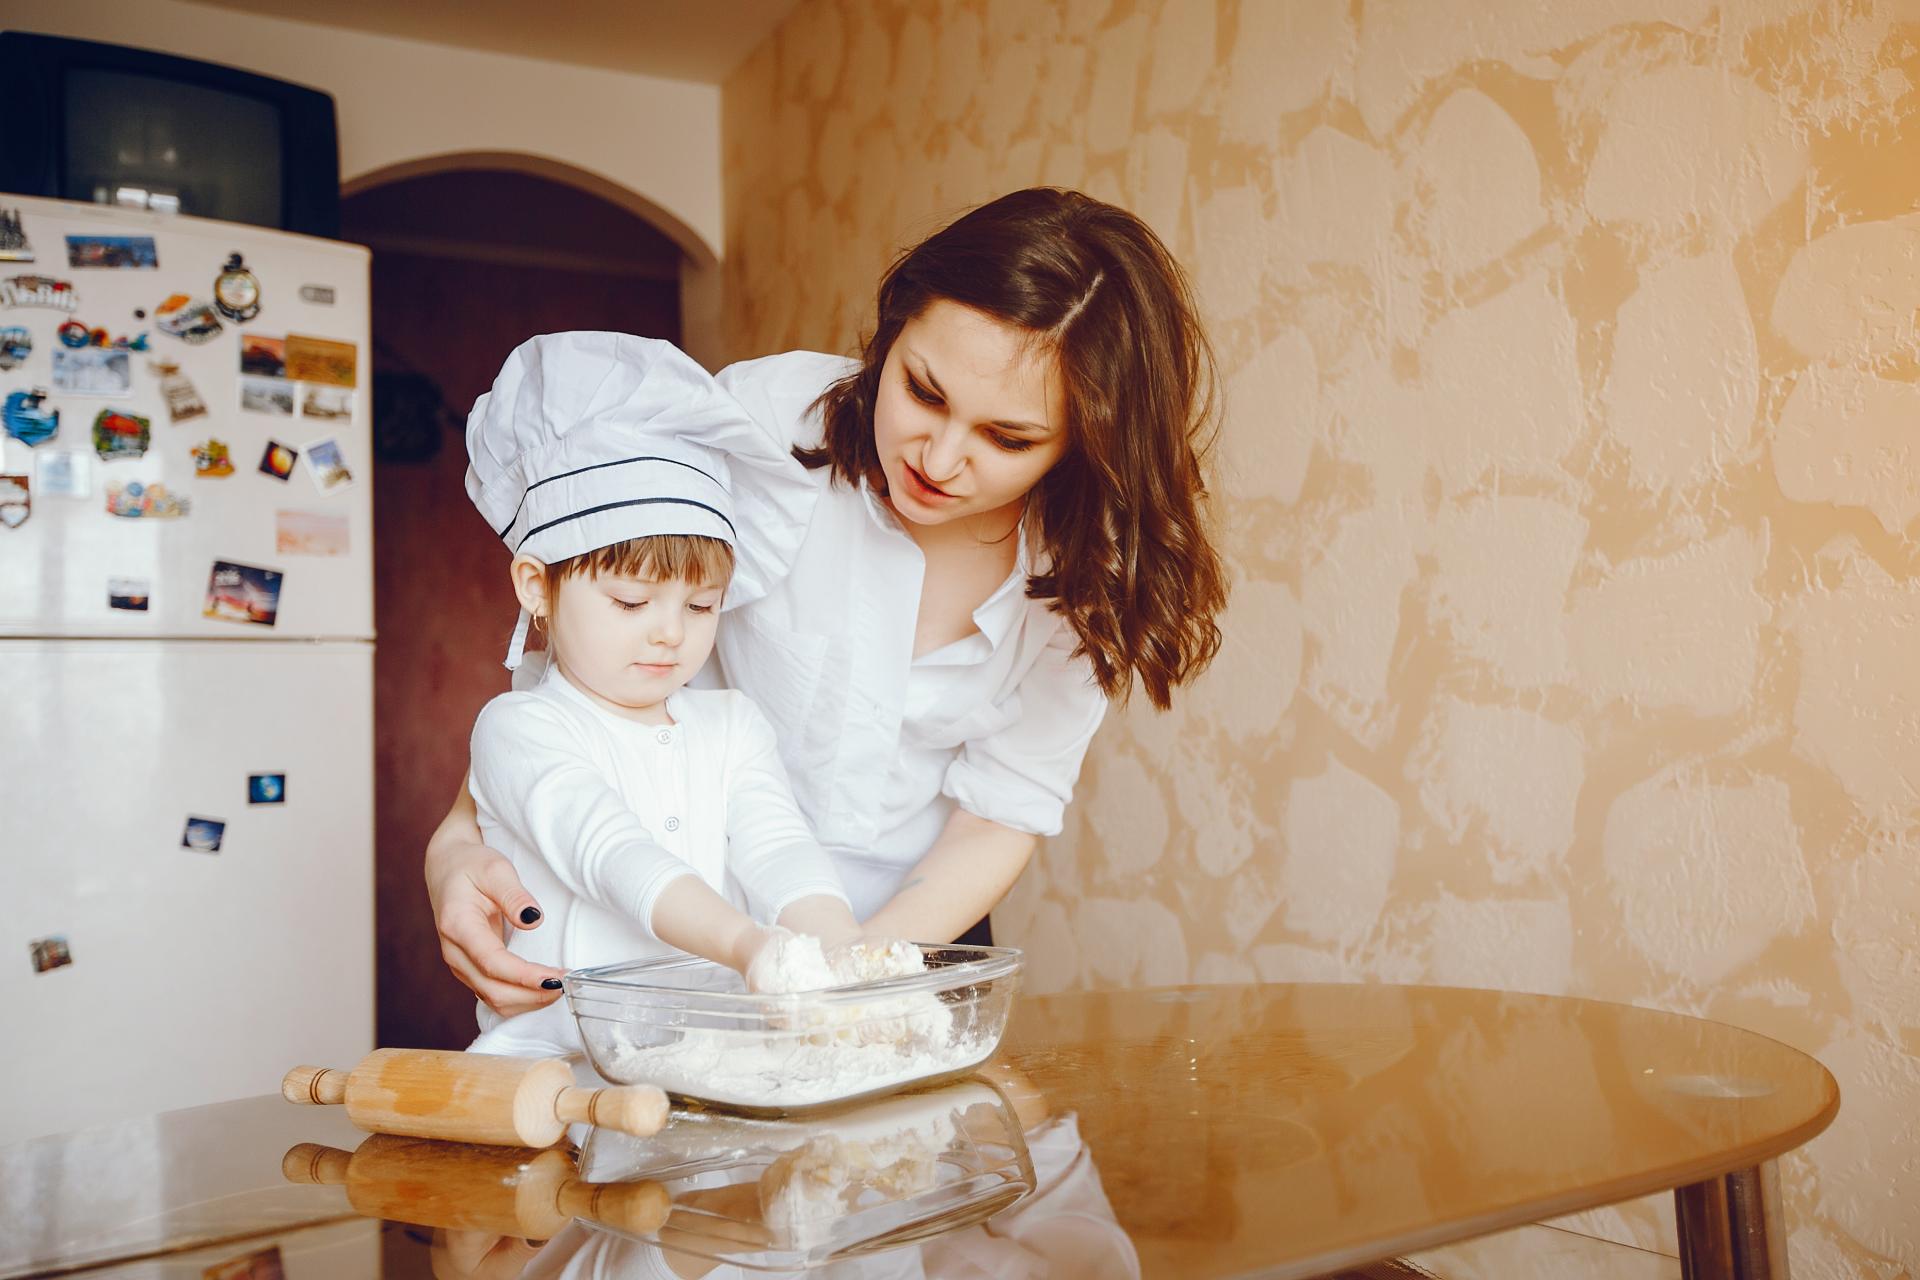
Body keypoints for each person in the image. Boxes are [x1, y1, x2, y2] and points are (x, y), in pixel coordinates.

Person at [427, 186, 1229, 1018]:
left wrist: (857, 972)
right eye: (923, 390)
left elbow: (1002, 811)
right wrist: (453, 849)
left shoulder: (1089, 569)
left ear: (1081, 444)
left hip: (910, 933)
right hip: (681, 922)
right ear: (894, 330)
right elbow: (577, 653)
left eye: (1008, 439)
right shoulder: (763, 421)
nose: (943, 457)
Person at [460, 335, 861, 1053]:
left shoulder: (733, 725)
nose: (670, 635)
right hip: (548, 1061)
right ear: (535, 585)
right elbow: (611, 852)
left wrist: (841, 955)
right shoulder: (519, 728)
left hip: (703, 1052)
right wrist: (746, 946)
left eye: (701, 606)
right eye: (630, 601)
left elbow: (779, 849)